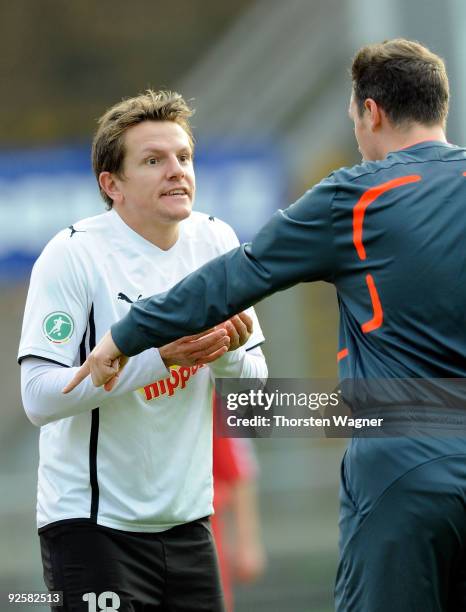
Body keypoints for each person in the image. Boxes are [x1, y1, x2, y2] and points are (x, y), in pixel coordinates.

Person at [66, 39, 466, 611]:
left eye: (354, 117)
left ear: (371, 111)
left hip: (404, 461)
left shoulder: (356, 198)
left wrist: (126, 335)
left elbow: (234, 277)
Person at [18, 89, 268, 611]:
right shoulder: (73, 255)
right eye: (153, 160)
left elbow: (253, 389)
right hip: (91, 528)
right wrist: (160, 357)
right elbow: (38, 398)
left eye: (183, 157)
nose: (176, 171)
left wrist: (221, 352)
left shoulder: (217, 241)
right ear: (112, 185)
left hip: (190, 525)